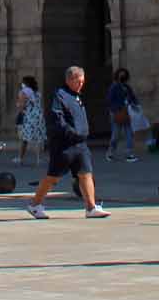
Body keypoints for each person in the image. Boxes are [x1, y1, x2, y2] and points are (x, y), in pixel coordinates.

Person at [26, 66, 108, 219]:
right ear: (69, 80)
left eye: (82, 82)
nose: (81, 85)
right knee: (53, 176)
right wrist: (70, 132)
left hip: (80, 143)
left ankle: (91, 207)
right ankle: (35, 204)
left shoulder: (77, 96)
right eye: (78, 82)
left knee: (86, 173)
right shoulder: (60, 95)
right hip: (64, 144)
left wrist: (83, 133)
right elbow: (57, 118)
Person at [107, 69, 140, 162]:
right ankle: (110, 152)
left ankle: (129, 154)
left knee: (129, 133)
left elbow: (133, 97)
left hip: (127, 112)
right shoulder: (114, 87)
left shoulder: (127, 87)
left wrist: (135, 104)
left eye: (124, 75)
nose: (122, 77)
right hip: (117, 112)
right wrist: (116, 110)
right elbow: (109, 100)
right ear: (117, 76)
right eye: (121, 75)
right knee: (116, 135)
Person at [14, 76, 46, 166]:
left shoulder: (24, 92)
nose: (21, 84)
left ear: (26, 83)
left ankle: (20, 158)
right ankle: (38, 159)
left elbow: (22, 105)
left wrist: (19, 108)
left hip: (28, 117)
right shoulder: (37, 93)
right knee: (38, 138)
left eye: (22, 82)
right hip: (38, 116)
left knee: (24, 138)